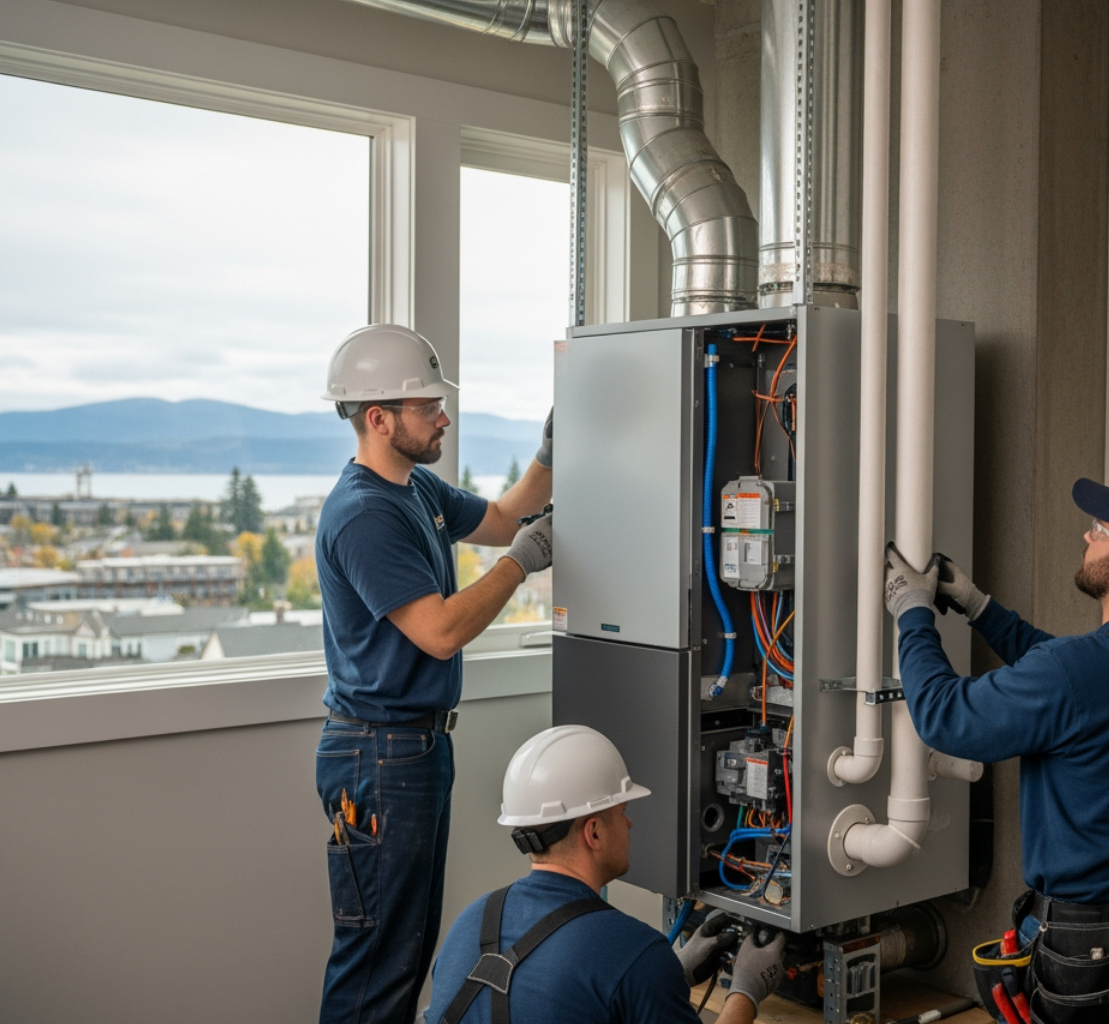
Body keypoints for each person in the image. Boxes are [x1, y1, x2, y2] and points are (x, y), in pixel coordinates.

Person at [884, 472, 1109, 1024]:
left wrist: (912, 612)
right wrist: (977, 605)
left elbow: (945, 715)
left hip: (1098, 958)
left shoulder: (1081, 672)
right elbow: (1078, 680)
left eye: (1099, 530)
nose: (1087, 537)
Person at [314, 323, 557, 1024]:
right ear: (378, 418)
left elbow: (505, 515)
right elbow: (441, 632)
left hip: (410, 749)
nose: (443, 417)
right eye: (428, 406)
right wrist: (520, 563)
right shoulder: (364, 514)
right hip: (378, 755)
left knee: (405, 951)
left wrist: (550, 451)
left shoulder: (414, 488)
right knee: (377, 962)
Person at [424, 724, 786, 1024]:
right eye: (622, 811)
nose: (629, 824)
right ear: (594, 832)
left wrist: (667, 975)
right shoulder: (635, 950)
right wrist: (745, 992)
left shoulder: (471, 920)